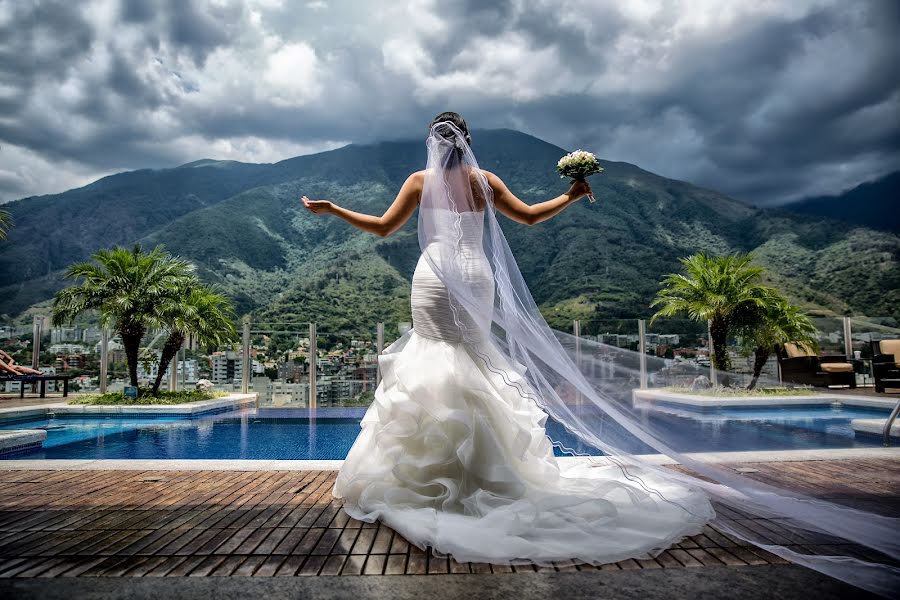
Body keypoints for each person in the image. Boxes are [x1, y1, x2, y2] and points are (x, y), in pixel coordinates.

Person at [300, 112, 713, 566]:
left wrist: (333, 209)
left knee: (435, 354)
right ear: (467, 142)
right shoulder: (486, 181)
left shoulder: (419, 180)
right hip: (476, 276)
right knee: (472, 359)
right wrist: (571, 196)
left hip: (434, 278)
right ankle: (488, 470)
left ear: (432, 142)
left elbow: (382, 227)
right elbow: (531, 218)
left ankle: (432, 471)